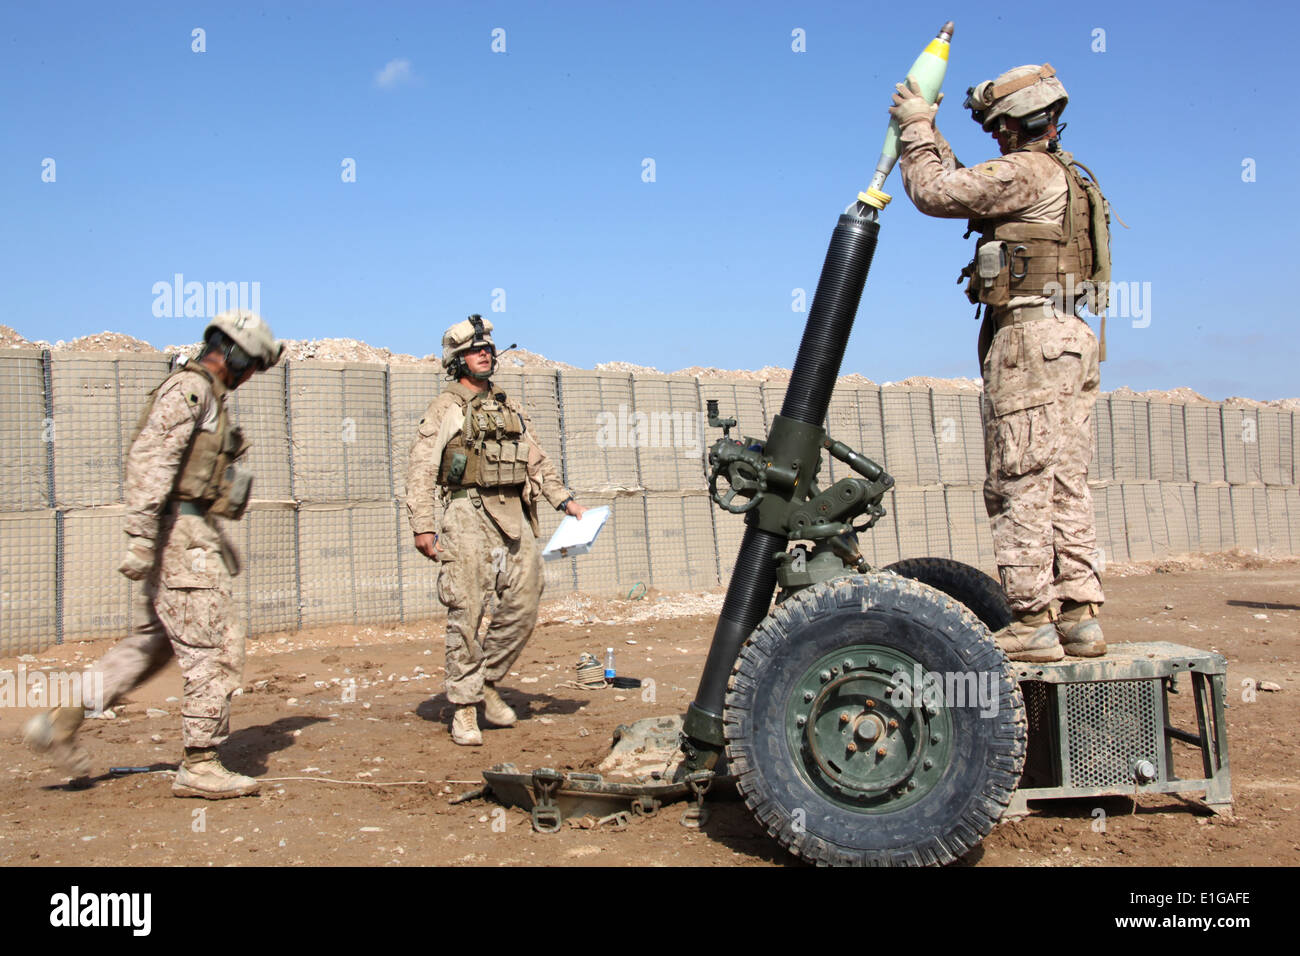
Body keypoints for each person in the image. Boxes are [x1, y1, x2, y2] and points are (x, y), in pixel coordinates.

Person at [890, 64, 1108, 662]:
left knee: (1019, 478)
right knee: (1065, 480)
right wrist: (930, 133)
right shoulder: (1063, 174)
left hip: (1029, 341)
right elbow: (973, 183)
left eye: (998, 126)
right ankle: (1080, 616)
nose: (996, 136)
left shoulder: (1027, 171)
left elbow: (938, 193)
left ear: (1015, 124)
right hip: (1070, 337)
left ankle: (1032, 619)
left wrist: (914, 129)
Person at [24, 310, 284, 796]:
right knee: (216, 645)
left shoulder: (208, 396)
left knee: (150, 644)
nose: (251, 377)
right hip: (180, 537)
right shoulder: (191, 390)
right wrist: (141, 536)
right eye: (252, 366)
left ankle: (61, 720)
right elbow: (152, 456)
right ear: (235, 354)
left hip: (187, 531)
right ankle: (201, 762)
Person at [406, 315, 585, 745]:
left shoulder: (509, 405)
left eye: (488, 348)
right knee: (466, 610)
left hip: (513, 514)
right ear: (458, 360)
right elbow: (422, 467)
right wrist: (423, 525)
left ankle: (486, 681)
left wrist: (565, 501)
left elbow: (536, 460)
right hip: (467, 514)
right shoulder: (446, 406)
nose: (485, 353)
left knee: (525, 597)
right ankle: (464, 709)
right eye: (474, 350)